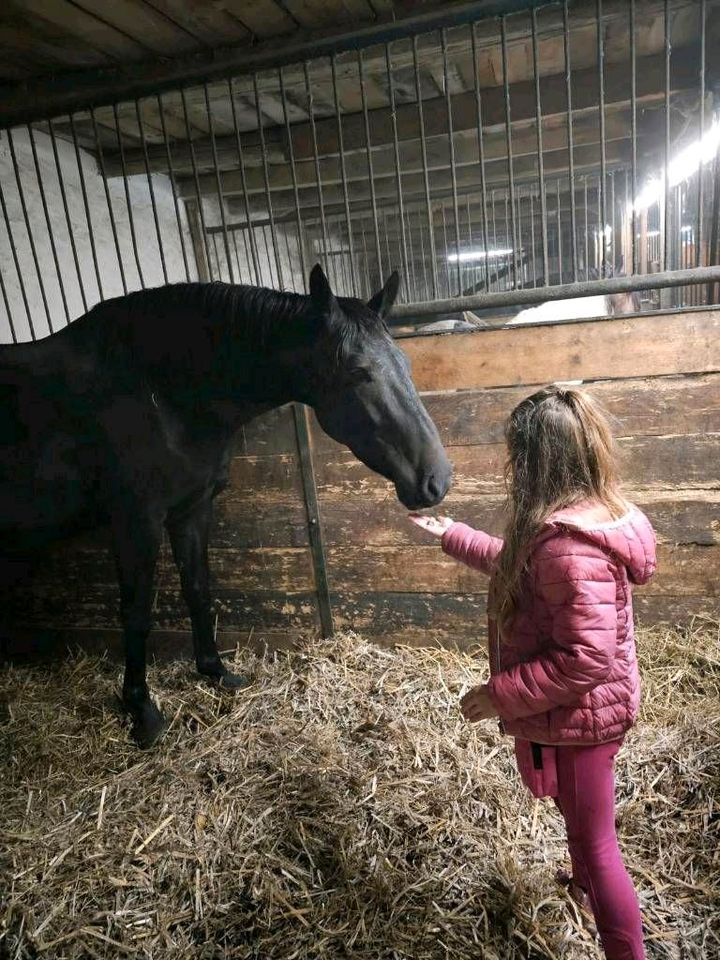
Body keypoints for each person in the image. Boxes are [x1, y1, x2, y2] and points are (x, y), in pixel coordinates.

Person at [410, 384, 656, 960]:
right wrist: (455, 535)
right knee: (580, 820)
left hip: (584, 718)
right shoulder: (573, 523)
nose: (511, 468)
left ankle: (625, 948)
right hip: (583, 713)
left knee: (597, 843)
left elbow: (586, 658)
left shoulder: (569, 546)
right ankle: (581, 889)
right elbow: (526, 566)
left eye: (516, 456)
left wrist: (498, 696)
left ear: (536, 461)